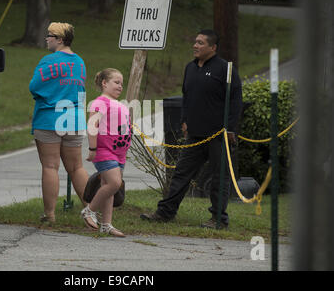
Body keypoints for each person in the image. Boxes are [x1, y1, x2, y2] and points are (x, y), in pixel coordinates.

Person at [140, 29, 243, 229]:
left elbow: (236, 100)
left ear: (213, 47)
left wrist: (230, 129)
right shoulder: (190, 68)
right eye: (195, 42)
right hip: (195, 134)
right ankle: (165, 213)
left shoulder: (226, 69)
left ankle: (218, 219)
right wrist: (185, 120)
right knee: (181, 174)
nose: (195, 46)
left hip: (218, 135)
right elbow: (187, 96)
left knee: (219, 178)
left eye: (201, 43)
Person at [29, 22, 89, 223]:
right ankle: (91, 211)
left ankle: (50, 215)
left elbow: (34, 87)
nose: (46, 38)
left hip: (50, 118)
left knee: (50, 166)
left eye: (50, 36)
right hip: (73, 118)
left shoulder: (48, 61)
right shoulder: (80, 62)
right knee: (77, 167)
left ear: (60, 40)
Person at [81, 68, 131, 237]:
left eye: (121, 84)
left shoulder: (120, 104)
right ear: (104, 83)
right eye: (116, 82)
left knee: (108, 188)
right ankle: (89, 211)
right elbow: (92, 126)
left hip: (119, 154)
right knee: (114, 183)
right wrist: (93, 149)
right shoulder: (99, 103)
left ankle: (106, 224)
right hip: (104, 151)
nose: (120, 86)